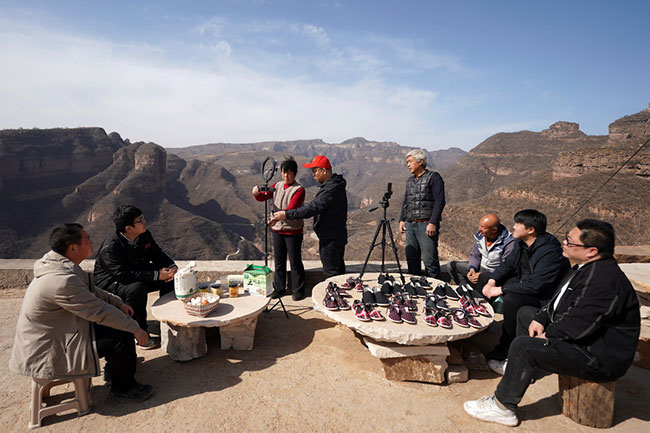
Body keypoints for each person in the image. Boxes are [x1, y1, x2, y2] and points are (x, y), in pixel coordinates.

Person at [464, 219, 640, 427]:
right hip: (584, 340)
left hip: (597, 356)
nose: (564, 243)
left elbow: (578, 327)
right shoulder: (585, 268)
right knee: (526, 313)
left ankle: (503, 407)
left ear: (591, 250)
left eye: (570, 242)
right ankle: (518, 370)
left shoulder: (604, 281)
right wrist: (540, 319)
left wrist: (546, 336)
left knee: (524, 346)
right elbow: (558, 301)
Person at [9, 224, 153, 401]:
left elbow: (91, 290)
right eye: (87, 239)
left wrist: (118, 303)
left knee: (117, 325)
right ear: (73, 247)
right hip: (49, 350)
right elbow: (99, 311)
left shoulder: (60, 265)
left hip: (57, 335)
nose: (92, 242)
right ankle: (124, 388)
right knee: (121, 335)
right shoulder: (61, 280)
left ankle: (116, 369)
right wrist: (135, 328)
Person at [482, 209, 570, 375]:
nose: (513, 227)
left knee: (512, 300)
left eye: (518, 224)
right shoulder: (522, 243)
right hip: (525, 283)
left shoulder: (550, 252)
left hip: (546, 297)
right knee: (483, 278)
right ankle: (481, 323)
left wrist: (500, 289)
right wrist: (491, 281)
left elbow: (536, 285)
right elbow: (508, 265)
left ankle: (506, 346)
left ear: (531, 230)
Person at [94, 205, 177, 349]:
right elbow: (123, 275)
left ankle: (168, 320)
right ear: (128, 228)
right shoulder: (111, 248)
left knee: (170, 278)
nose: (144, 222)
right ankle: (138, 332)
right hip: (110, 282)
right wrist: (156, 275)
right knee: (137, 289)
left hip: (135, 272)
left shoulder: (143, 235)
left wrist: (171, 266)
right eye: (140, 220)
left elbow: (157, 254)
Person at [270, 155, 347, 278]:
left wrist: (286, 214)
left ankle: (333, 295)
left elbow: (312, 208)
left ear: (324, 171)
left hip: (331, 238)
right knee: (338, 270)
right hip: (334, 235)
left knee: (331, 273)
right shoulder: (333, 185)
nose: (313, 174)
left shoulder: (331, 190)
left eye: (315, 171)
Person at [253, 157, 307, 301]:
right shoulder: (277, 185)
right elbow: (263, 197)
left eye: (289, 173)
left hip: (293, 231)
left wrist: (275, 219)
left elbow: (291, 208)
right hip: (277, 230)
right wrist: (256, 193)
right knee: (279, 261)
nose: (286, 176)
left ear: (294, 174)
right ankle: (279, 287)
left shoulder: (299, 190)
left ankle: (298, 289)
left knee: (295, 261)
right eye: (284, 172)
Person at [399, 149, 446, 278]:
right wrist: (402, 219)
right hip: (410, 224)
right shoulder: (409, 181)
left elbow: (439, 201)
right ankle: (415, 287)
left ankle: (436, 289)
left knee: (429, 260)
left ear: (420, 162)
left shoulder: (434, 177)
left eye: (410, 161)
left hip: (425, 224)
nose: (408, 165)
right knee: (411, 259)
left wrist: (433, 222)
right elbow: (406, 201)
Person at [441, 214, 514, 290]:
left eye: (483, 227)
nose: (479, 229)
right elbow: (475, 255)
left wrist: (482, 275)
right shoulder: (481, 236)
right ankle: (466, 290)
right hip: (480, 267)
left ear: (494, 230)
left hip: (493, 273)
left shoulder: (509, 243)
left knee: (483, 280)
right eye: (479, 226)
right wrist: (472, 268)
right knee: (451, 266)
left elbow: (506, 267)